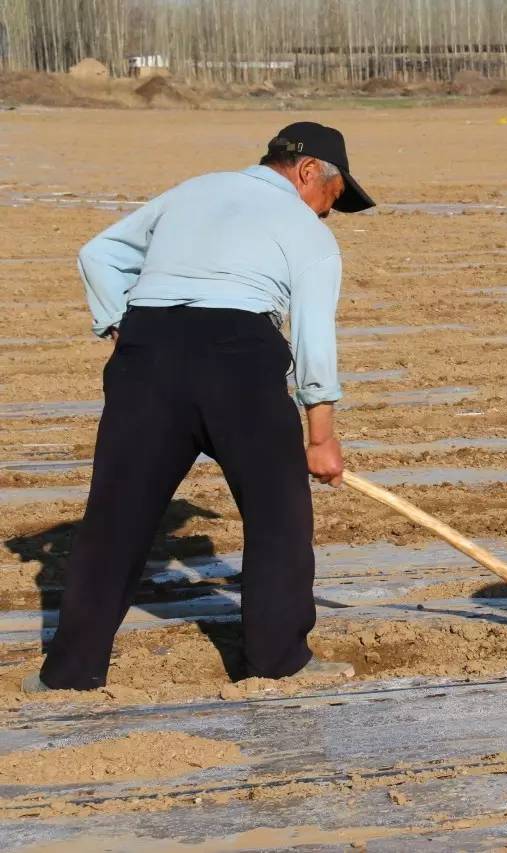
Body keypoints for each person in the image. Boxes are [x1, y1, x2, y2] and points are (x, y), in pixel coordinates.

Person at [24, 121, 376, 692]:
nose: (327, 214)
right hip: (240, 359)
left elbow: (99, 252)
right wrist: (321, 438)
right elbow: (316, 342)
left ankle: (68, 672)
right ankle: (278, 661)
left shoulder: (191, 191)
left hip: (148, 356)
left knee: (114, 521)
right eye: (331, 200)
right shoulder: (307, 232)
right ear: (309, 172)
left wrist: (124, 329)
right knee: (278, 517)